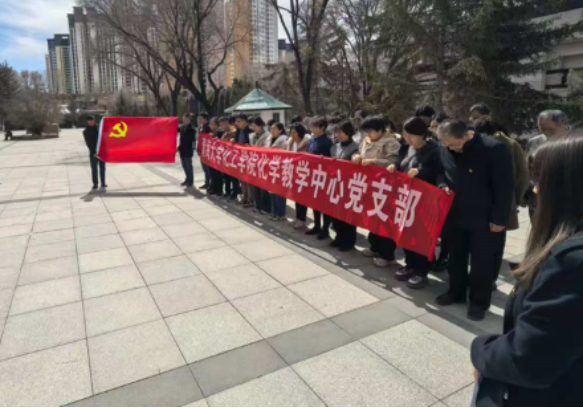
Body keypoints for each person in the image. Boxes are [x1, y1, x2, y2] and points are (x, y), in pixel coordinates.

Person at [471, 136, 583, 408]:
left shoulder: (570, 262)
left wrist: (481, 350)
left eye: (540, 179)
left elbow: (530, 359)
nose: (534, 189)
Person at [436, 120, 514, 322]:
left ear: (466, 135)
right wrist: (442, 185)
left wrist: (499, 218)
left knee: (482, 262)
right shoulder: (445, 148)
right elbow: (441, 171)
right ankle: (456, 292)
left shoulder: (494, 149)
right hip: (455, 215)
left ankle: (479, 303)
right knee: (456, 258)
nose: (450, 148)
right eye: (446, 144)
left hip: (484, 218)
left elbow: (504, 186)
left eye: (453, 144)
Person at [388, 117, 444, 289]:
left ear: (421, 134)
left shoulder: (435, 150)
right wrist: (394, 166)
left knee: (422, 237)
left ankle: (422, 271)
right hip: (406, 198)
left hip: (424, 201)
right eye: (405, 135)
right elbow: (401, 162)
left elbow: (440, 174)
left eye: (410, 135)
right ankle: (410, 265)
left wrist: (421, 172)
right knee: (406, 233)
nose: (407, 138)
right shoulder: (407, 147)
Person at [474, 117, 530, 276]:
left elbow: (522, 175)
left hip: (499, 202)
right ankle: (485, 276)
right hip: (490, 202)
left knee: (494, 242)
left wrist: (516, 200)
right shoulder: (475, 144)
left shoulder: (510, 145)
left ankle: (489, 277)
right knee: (488, 242)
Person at [353, 116, 401, 268]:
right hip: (369, 186)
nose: (368, 135)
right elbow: (359, 153)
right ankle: (374, 247)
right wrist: (356, 157)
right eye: (366, 132)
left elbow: (393, 163)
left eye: (371, 131)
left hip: (385, 188)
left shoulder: (391, 142)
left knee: (385, 220)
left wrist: (374, 161)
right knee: (373, 217)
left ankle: (387, 255)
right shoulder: (366, 140)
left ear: (381, 130)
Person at [525, 110, 569, 221]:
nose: (546, 133)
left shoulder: (576, 142)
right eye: (542, 129)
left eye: (550, 129)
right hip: (540, 198)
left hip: (569, 199)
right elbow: (528, 170)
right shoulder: (534, 142)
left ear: (563, 125)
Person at [330, 121, 360, 251]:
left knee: (348, 214)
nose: (338, 135)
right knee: (336, 213)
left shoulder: (356, 148)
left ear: (349, 133)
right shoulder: (334, 147)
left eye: (341, 132)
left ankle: (348, 241)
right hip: (336, 183)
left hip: (349, 185)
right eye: (337, 132)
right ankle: (339, 236)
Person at [306, 117, 334, 240]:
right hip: (313, 174)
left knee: (324, 204)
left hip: (324, 176)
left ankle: (325, 228)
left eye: (315, 127)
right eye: (311, 127)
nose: (312, 129)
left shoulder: (328, 142)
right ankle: (317, 225)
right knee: (315, 203)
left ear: (322, 128)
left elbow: (330, 159)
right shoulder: (312, 139)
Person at [287, 123, 312, 229]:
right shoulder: (291, 143)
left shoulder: (306, 144)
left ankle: (302, 220)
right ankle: (297, 218)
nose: (292, 135)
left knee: (302, 198)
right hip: (293, 173)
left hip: (303, 174)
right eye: (291, 133)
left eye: (294, 133)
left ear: (300, 133)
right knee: (296, 197)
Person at [250, 117, 272, 215]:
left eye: (254, 126)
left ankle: (266, 208)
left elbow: (267, 148)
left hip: (264, 164)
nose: (253, 128)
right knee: (256, 186)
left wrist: (256, 148)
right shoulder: (253, 136)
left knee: (264, 188)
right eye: (252, 126)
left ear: (260, 126)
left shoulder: (267, 135)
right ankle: (258, 205)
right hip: (255, 163)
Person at [268, 122, 289, 221]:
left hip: (280, 169)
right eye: (271, 129)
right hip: (271, 168)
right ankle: (274, 212)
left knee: (279, 193)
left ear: (280, 130)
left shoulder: (284, 140)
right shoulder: (270, 139)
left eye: (274, 129)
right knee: (272, 192)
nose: (272, 130)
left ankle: (281, 214)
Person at [235, 114, 254, 207]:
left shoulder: (250, 131)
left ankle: (251, 199)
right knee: (242, 179)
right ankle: (245, 197)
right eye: (236, 121)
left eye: (239, 121)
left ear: (245, 121)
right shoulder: (238, 130)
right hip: (240, 158)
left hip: (248, 159)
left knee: (248, 181)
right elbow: (237, 141)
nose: (237, 123)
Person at [83, 116, 107, 190]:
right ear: (87, 122)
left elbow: (105, 138)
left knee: (102, 168)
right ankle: (95, 184)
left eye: (92, 121)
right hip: (93, 153)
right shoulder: (86, 131)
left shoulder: (100, 128)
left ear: (94, 121)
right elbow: (88, 143)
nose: (91, 122)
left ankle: (103, 183)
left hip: (102, 152)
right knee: (94, 169)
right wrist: (94, 152)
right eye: (89, 121)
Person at [219, 117, 239, 202]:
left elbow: (233, 139)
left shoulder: (233, 130)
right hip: (225, 157)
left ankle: (234, 193)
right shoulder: (224, 132)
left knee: (233, 177)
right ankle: (227, 192)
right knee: (226, 176)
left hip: (233, 157)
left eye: (222, 125)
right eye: (220, 125)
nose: (221, 127)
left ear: (226, 122)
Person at [178, 114, 196, 188]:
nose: (183, 121)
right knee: (184, 166)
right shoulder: (182, 127)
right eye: (183, 120)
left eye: (185, 120)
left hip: (188, 151)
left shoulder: (192, 129)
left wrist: (179, 148)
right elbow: (175, 130)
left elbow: (189, 141)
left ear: (189, 120)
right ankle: (187, 179)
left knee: (189, 167)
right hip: (182, 151)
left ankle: (190, 181)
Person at [208, 117, 224, 196]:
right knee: (212, 174)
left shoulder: (220, 132)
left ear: (217, 125)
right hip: (211, 156)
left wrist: (216, 139)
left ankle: (219, 190)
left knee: (218, 174)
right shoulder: (210, 133)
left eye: (212, 124)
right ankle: (213, 188)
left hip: (218, 157)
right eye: (210, 124)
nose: (210, 126)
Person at [198, 113, 212, 190]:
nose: (199, 120)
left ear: (205, 119)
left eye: (201, 118)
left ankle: (209, 183)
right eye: (199, 119)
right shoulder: (201, 127)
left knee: (208, 169)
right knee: (204, 168)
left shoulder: (208, 127)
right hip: (202, 151)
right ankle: (206, 183)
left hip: (207, 151)